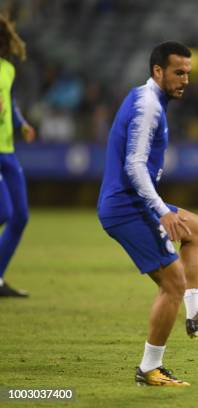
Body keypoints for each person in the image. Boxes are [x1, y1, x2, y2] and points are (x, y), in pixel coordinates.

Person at [97, 41, 198, 386]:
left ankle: (196, 316)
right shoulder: (148, 107)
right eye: (178, 72)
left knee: (195, 228)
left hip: (132, 203)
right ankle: (148, 369)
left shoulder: (151, 99)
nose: (185, 79)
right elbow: (135, 165)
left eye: (188, 73)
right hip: (127, 207)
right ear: (158, 71)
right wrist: (161, 210)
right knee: (173, 284)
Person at [0, 14, 36, 298]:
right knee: (4, 211)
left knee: (20, 216)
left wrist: (21, 122)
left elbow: (9, 102)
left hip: (8, 151)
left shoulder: (7, 69)